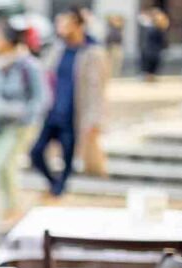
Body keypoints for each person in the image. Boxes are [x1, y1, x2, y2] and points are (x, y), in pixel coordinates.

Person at [29, 8, 108, 199]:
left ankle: (59, 191)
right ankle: (55, 185)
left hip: (75, 114)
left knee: (68, 157)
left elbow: (97, 90)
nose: (61, 28)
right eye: (59, 23)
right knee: (36, 152)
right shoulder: (57, 48)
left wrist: (94, 120)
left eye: (66, 23)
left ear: (79, 25)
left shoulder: (93, 53)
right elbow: (44, 75)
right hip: (53, 111)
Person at [0, 24, 49, 221]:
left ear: (9, 41)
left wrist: (27, 118)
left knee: (6, 163)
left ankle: (13, 207)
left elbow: (42, 97)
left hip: (19, 125)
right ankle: (9, 206)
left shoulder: (28, 65)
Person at [140, 9, 168, 80]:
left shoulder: (154, 29)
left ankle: (150, 76)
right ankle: (150, 76)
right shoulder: (155, 29)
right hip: (152, 51)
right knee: (151, 68)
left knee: (151, 68)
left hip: (152, 50)